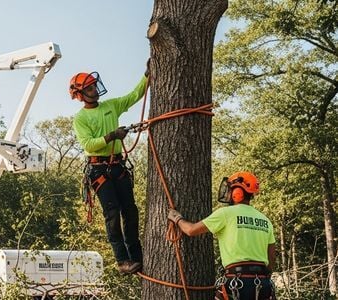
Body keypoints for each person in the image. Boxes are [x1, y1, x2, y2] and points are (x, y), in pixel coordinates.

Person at [71, 61, 149, 275]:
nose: (94, 90)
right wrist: (112, 135)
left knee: (130, 211)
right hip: (99, 170)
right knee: (112, 213)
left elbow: (134, 96)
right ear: (80, 94)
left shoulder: (111, 105)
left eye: (94, 86)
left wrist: (146, 75)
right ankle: (122, 260)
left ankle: (137, 255)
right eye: (88, 88)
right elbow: (88, 145)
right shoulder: (81, 118)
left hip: (118, 165)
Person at [168, 172, 276, 300]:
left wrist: (177, 218)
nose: (228, 194)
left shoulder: (226, 214)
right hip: (262, 284)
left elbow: (191, 230)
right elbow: (271, 262)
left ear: (237, 192)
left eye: (230, 190)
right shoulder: (265, 221)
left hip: (236, 282)